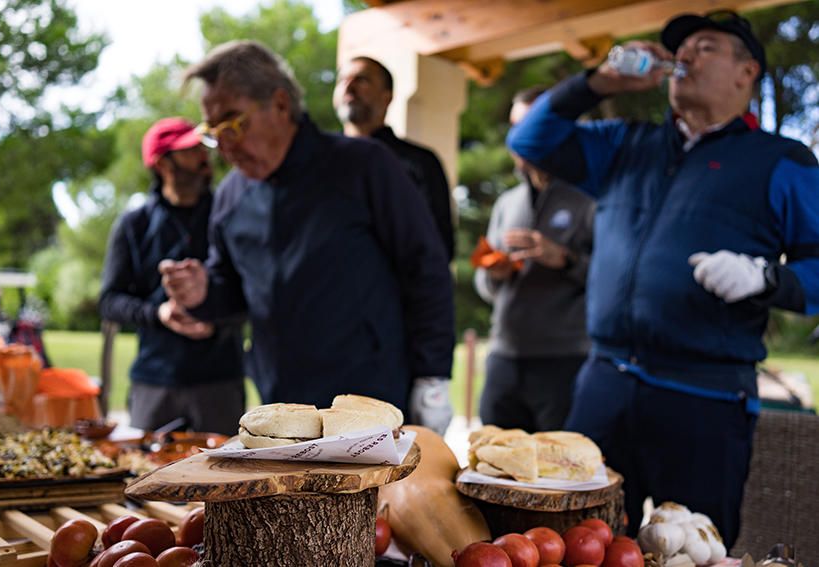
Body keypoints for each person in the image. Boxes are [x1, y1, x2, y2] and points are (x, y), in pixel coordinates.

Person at [507, 10, 819, 545]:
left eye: (705, 47)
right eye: (682, 48)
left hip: (705, 399)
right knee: (570, 539)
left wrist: (768, 278)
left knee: (692, 549)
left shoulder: (781, 161)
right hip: (603, 384)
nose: (685, 57)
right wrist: (600, 82)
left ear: (746, 73)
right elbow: (530, 140)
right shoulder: (625, 144)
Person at [159, 41, 455, 434]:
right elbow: (230, 288)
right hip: (281, 404)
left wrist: (432, 377)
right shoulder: (231, 195)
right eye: (213, 132)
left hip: (370, 397)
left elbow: (426, 268)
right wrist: (201, 294)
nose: (225, 146)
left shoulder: (363, 166)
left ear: (280, 106)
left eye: (233, 123)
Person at [99, 118, 245, 436]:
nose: (204, 157)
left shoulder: (232, 216)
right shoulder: (133, 224)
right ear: (164, 163)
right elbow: (110, 301)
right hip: (154, 381)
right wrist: (158, 313)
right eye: (190, 150)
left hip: (220, 380)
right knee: (144, 477)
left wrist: (214, 318)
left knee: (227, 479)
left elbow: (254, 290)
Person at [475, 87, 594, 433]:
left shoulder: (590, 199)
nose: (519, 137)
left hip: (565, 361)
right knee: (492, 471)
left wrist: (566, 259)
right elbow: (486, 288)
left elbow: (613, 281)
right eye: (514, 127)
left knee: (556, 476)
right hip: (504, 359)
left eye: (528, 125)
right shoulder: (507, 202)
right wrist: (496, 273)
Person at [333, 56, 456, 262]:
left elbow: (439, 247)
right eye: (342, 80)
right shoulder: (317, 159)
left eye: (361, 79)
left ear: (386, 97)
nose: (349, 85)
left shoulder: (420, 162)